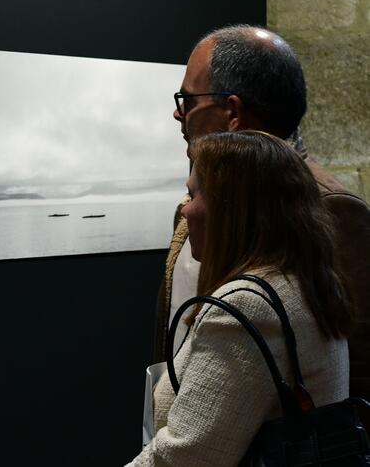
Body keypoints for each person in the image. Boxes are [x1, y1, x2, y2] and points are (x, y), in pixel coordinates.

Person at [152, 25, 370, 410]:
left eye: (187, 99)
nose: (177, 112)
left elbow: (357, 370)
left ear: (232, 113)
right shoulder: (198, 202)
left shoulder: (332, 207)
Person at [128, 130, 352, 466]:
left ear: (229, 207)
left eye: (192, 195)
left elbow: (187, 458)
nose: (185, 211)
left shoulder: (246, 307)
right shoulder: (308, 282)